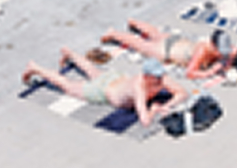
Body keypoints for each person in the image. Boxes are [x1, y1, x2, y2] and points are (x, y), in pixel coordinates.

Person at [21, 47, 187, 127]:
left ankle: (70, 54)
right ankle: (36, 68)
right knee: (67, 86)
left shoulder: (161, 79)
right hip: (103, 91)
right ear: (146, 76)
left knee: (93, 71)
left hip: (115, 79)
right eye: (156, 77)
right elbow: (144, 120)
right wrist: (155, 109)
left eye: (159, 76)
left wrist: (167, 105)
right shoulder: (139, 87)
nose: (159, 80)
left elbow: (182, 93)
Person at [101, 18, 237, 79]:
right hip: (165, 51)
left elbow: (234, 51)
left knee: (155, 33)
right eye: (220, 51)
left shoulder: (222, 47)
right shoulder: (202, 50)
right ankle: (113, 33)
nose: (222, 54)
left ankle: (134, 22)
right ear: (213, 46)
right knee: (139, 44)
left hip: (175, 41)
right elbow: (190, 73)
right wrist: (209, 73)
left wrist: (229, 62)